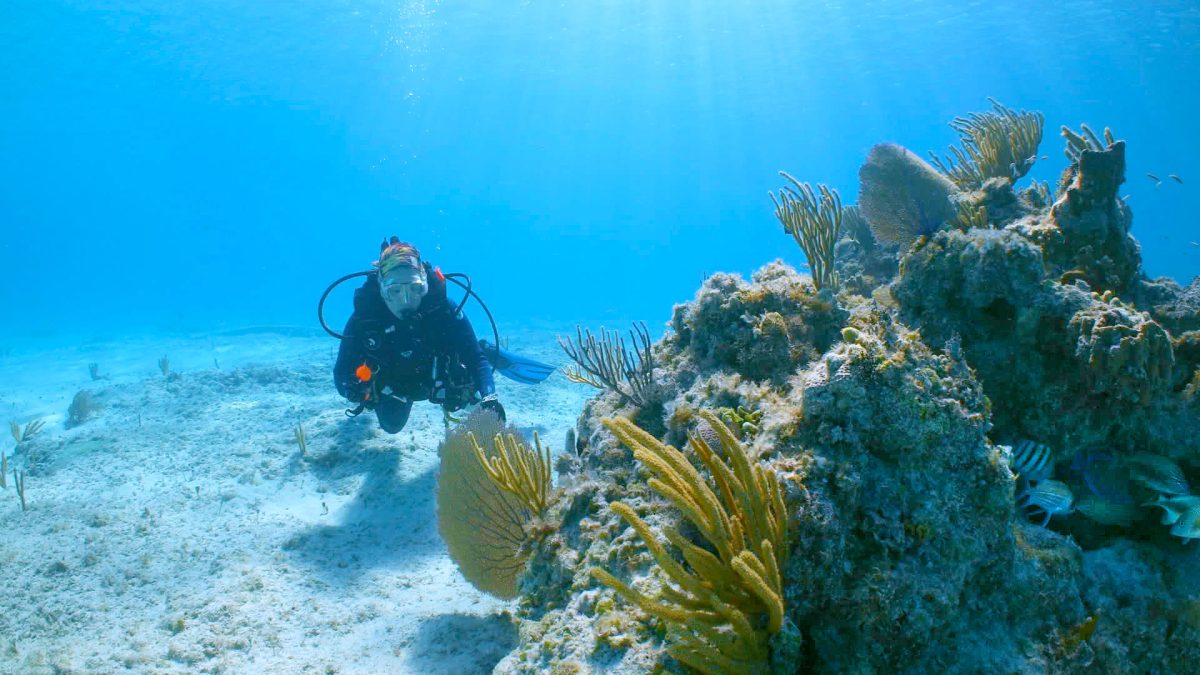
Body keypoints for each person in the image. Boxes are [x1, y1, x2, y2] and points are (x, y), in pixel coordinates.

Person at [333, 238, 505, 432]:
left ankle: (484, 347)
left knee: (480, 402)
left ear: (425, 284)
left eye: (415, 289)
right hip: (393, 386)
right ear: (381, 288)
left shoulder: (443, 309)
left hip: (437, 377)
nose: (406, 300)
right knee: (391, 425)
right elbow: (341, 372)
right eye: (395, 290)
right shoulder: (366, 318)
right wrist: (354, 390)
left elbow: (475, 359)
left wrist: (489, 397)